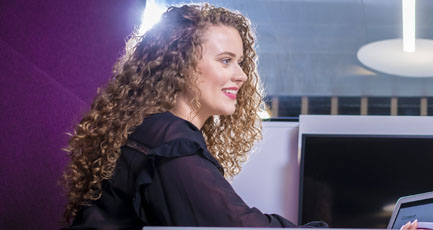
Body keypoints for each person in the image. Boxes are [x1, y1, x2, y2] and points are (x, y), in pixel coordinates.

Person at [60, 4, 326, 229]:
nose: (242, 75)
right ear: (180, 64)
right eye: (225, 60)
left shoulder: (153, 131)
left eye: (240, 62)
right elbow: (235, 226)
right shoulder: (168, 141)